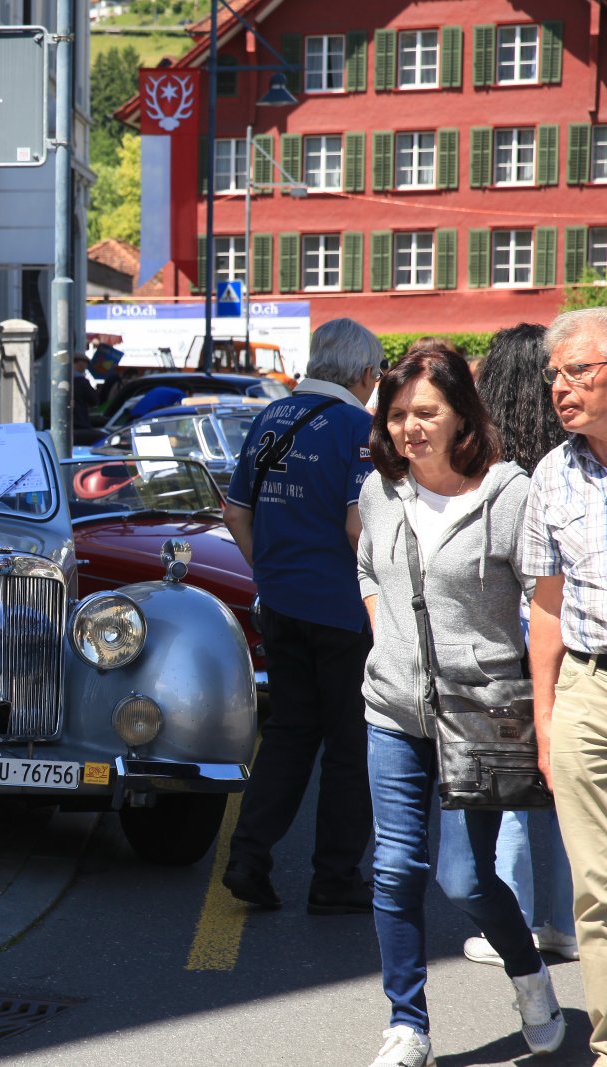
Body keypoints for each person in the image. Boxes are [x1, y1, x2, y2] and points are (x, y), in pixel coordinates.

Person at [357, 347, 563, 1067]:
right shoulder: (380, 490)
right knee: (393, 868)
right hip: (393, 711)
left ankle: (529, 976)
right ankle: (406, 1024)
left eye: (426, 412)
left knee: (467, 878)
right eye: (397, 414)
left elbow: (545, 598)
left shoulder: (508, 494)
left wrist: (542, 700)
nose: (409, 427)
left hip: (480, 716)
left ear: (461, 417)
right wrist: (390, 639)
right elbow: (367, 566)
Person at [220, 317, 379, 914]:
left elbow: (235, 512)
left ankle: (247, 857)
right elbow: (357, 526)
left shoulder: (270, 417)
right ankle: (335, 878)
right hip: (342, 608)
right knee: (349, 745)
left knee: (288, 734)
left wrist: (270, 573)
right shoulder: (357, 429)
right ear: (365, 373)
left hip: (282, 604)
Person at [457, 323, 577, 968]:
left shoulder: (487, 463)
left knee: (510, 784)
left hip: (509, 632)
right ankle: (565, 919)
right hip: (569, 628)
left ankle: (516, 918)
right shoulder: (572, 457)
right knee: (567, 783)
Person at [520, 306, 607, 1063]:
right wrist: (546, 719)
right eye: (556, 374)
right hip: (586, 687)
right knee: (597, 890)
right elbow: (546, 607)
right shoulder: (553, 474)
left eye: (578, 370)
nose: (560, 387)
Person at [71, 351, 101, 432]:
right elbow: (94, 400)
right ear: (79, 363)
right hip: (79, 423)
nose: (86, 367)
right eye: (85, 364)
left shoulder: (61, 379)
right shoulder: (81, 381)